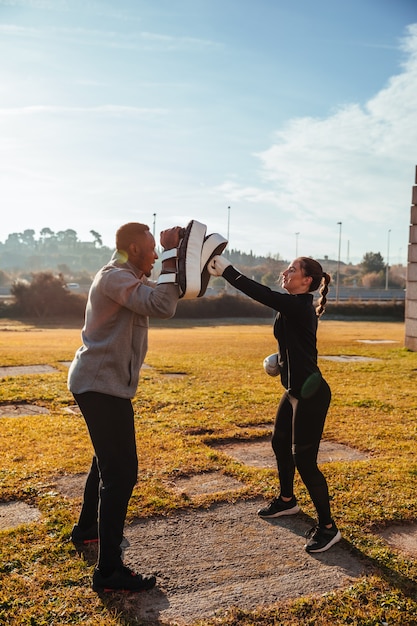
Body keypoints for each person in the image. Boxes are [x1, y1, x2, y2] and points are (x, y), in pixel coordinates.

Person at [68, 222, 181, 592]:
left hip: (103, 385)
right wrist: (169, 251)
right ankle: (108, 572)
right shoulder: (116, 277)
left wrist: (184, 260)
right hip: (101, 387)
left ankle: (87, 530)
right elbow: (163, 305)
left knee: (106, 461)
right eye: (150, 250)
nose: (153, 256)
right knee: (122, 473)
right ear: (135, 249)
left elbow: (172, 293)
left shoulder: (127, 276)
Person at [208, 255, 341, 553]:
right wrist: (280, 360)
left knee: (305, 461)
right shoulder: (294, 308)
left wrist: (228, 272)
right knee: (280, 443)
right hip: (294, 389)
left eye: (292, 269)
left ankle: (329, 528)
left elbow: (263, 294)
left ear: (306, 281)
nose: (285, 272)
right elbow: (296, 345)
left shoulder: (298, 305)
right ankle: (286, 501)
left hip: (311, 395)